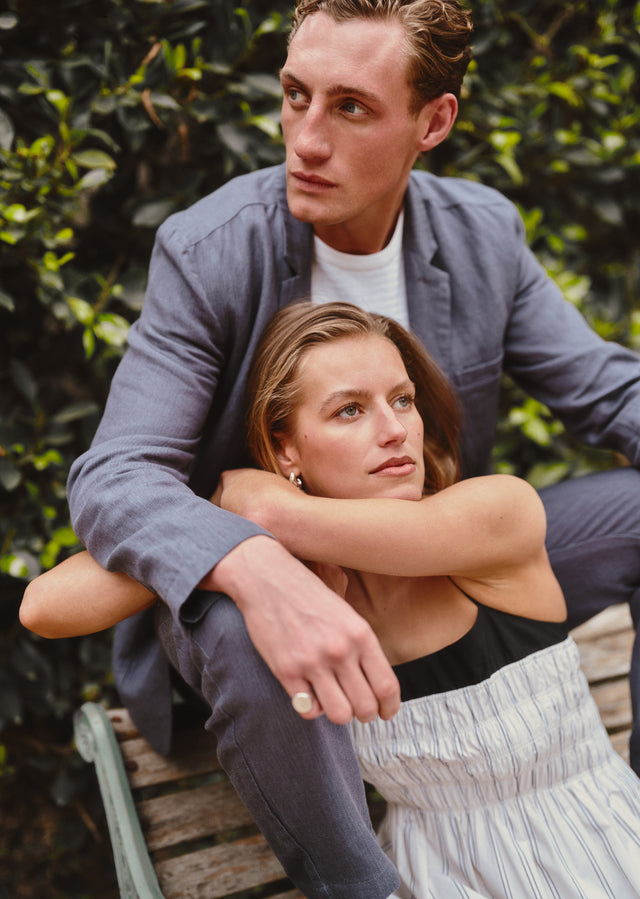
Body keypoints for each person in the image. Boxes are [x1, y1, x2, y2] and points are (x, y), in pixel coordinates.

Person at [20, 0, 640, 895]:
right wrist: (253, 561)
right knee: (238, 610)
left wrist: (257, 504)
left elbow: (608, 389)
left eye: (350, 106)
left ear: (433, 122)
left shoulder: (481, 234)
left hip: (426, 561)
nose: (305, 139)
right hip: (256, 620)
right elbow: (117, 475)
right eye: (296, 96)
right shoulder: (209, 251)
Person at [22, 302, 640, 898]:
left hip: (597, 848)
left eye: (402, 399)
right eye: (350, 410)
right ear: (286, 448)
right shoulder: (292, 584)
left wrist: (254, 504)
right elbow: (46, 607)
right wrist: (220, 520)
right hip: (427, 875)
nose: (396, 430)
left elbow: (268, 508)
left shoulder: (498, 514)